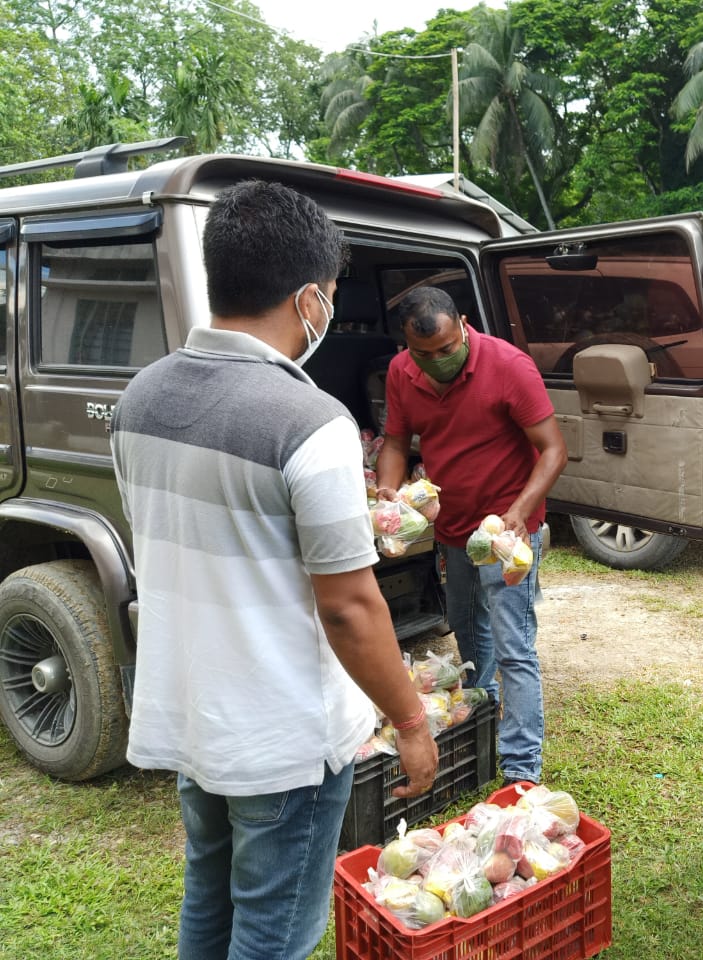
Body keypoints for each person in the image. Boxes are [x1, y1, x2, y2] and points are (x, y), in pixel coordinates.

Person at [110, 179, 439, 960]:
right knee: (274, 933)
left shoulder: (138, 400)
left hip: (195, 716)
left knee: (210, 898)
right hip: (283, 736)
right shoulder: (310, 422)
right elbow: (349, 608)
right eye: (328, 294)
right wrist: (415, 723)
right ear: (308, 300)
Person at [375, 286, 567, 786]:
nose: (438, 361)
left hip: (507, 538)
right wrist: (389, 494)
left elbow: (552, 450)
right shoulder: (402, 373)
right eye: (425, 354)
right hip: (453, 531)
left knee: (512, 645)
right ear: (407, 347)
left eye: (446, 349)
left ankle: (521, 771)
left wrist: (519, 513)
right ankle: (482, 718)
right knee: (465, 625)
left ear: (462, 324)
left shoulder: (509, 365)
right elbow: (395, 440)